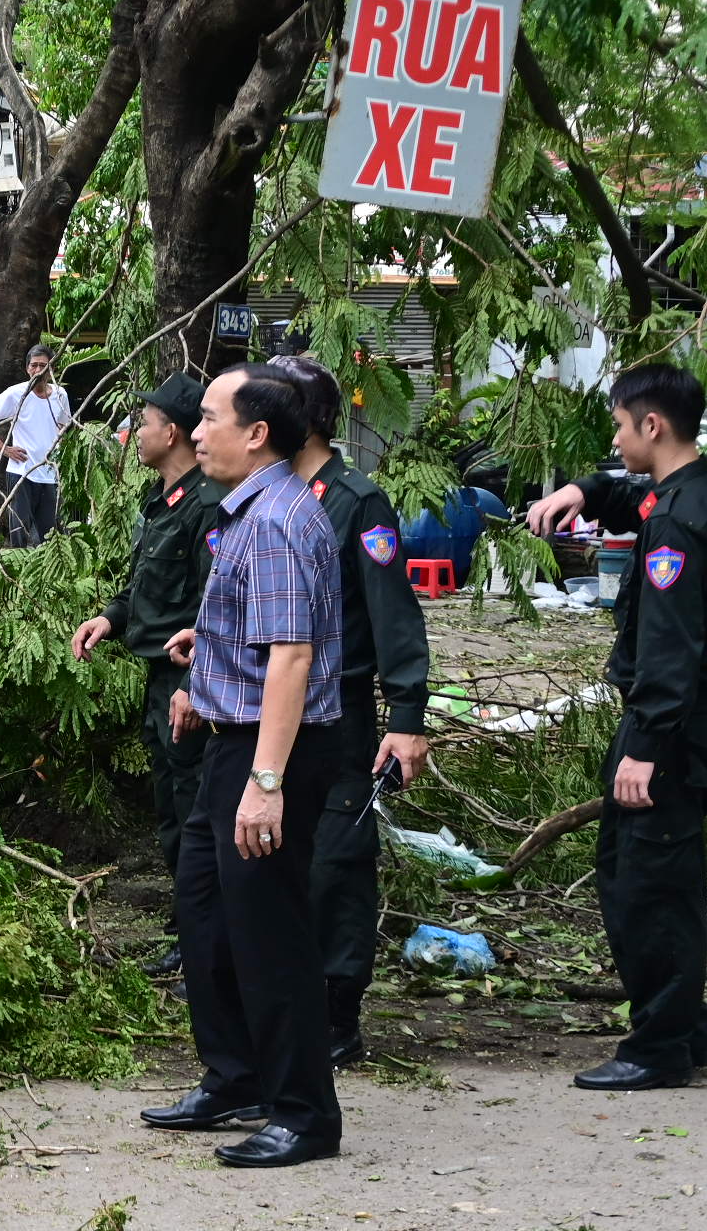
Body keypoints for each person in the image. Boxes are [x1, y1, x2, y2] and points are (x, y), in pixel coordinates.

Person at [141, 363, 344, 1168]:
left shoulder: (281, 521)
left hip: (272, 750)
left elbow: (292, 658)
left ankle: (304, 1113)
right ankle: (237, 1075)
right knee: (206, 909)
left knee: (270, 932)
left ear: (257, 434)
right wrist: (207, 665)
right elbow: (257, 634)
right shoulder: (248, 512)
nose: (196, 431)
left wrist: (267, 785)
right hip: (235, 737)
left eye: (211, 418)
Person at [526, 363, 707, 1091]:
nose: (616, 440)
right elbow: (628, 495)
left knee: (651, 886)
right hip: (670, 722)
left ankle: (660, 1047)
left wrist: (645, 747)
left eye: (620, 426)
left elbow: (671, 645)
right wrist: (582, 490)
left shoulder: (680, 518)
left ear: (653, 426)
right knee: (631, 872)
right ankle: (687, 1026)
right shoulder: (691, 492)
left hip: (669, 731)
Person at [271, 356, 431, 1067]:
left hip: (340, 715)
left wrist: (408, 716)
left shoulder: (356, 503)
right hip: (271, 716)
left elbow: (394, 614)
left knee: (338, 862)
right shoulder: (267, 495)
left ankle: (339, 1012)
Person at [70, 372, 225, 977]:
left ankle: (204, 945)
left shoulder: (208, 506)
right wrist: (110, 618)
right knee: (170, 809)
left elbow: (217, 602)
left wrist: (194, 684)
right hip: (160, 680)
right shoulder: (165, 502)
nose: (134, 432)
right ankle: (190, 926)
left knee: (193, 813)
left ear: (175, 432)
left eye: (144, 421)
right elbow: (146, 587)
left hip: (187, 681)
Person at [0, 344, 72, 547]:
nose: (38, 370)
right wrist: (3, 448)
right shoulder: (16, 393)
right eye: (34, 365)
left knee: (50, 535)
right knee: (19, 532)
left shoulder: (60, 394)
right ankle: (16, 575)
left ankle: (45, 576)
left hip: (49, 474)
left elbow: (65, 424)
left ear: (51, 367)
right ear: (27, 369)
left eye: (43, 365)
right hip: (21, 472)